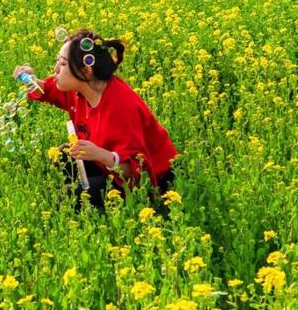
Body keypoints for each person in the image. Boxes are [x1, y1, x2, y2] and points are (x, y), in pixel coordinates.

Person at [13, 29, 177, 210]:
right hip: (104, 163)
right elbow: (47, 90)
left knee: (69, 198)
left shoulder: (120, 107)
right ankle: (91, 190)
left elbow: (137, 171)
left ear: (86, 71)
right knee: (61, 157)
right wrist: (29, 79)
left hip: (146, 180)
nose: (55, 70)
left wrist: (100, 154)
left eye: (62, 64)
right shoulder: (81, 89)